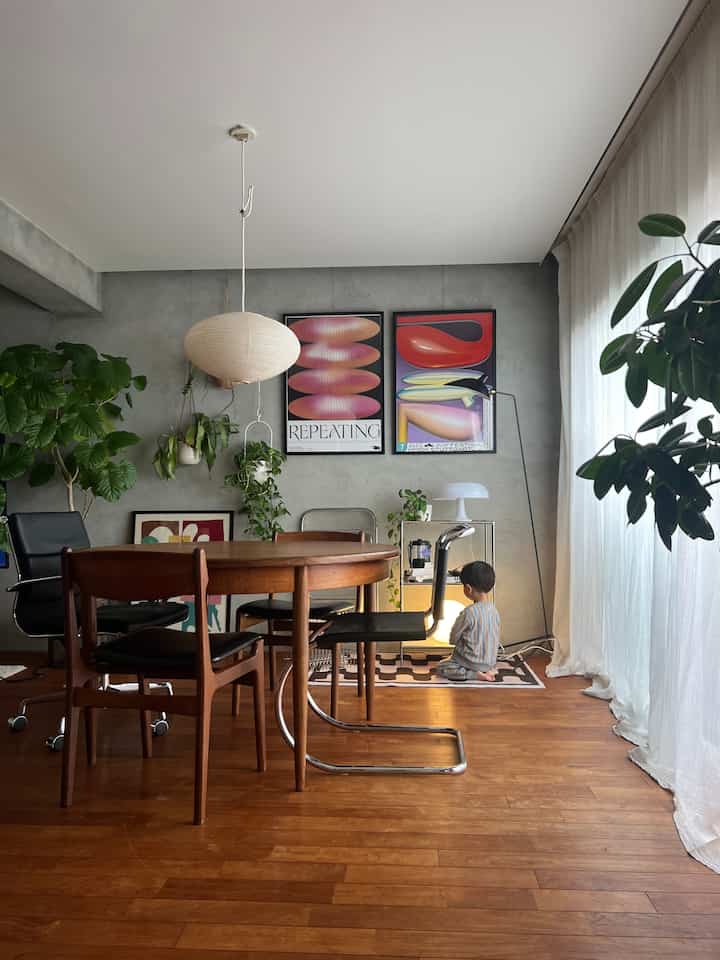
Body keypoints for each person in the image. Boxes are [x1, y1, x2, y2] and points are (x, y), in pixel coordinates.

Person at [434, 561, 500, 682]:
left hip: (469, 661)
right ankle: (487, 670)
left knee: (441, 667)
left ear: (468, 589)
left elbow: (453, 638)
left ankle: (473, 674)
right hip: (490, 662)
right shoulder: (494, 610)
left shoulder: (468, 612)